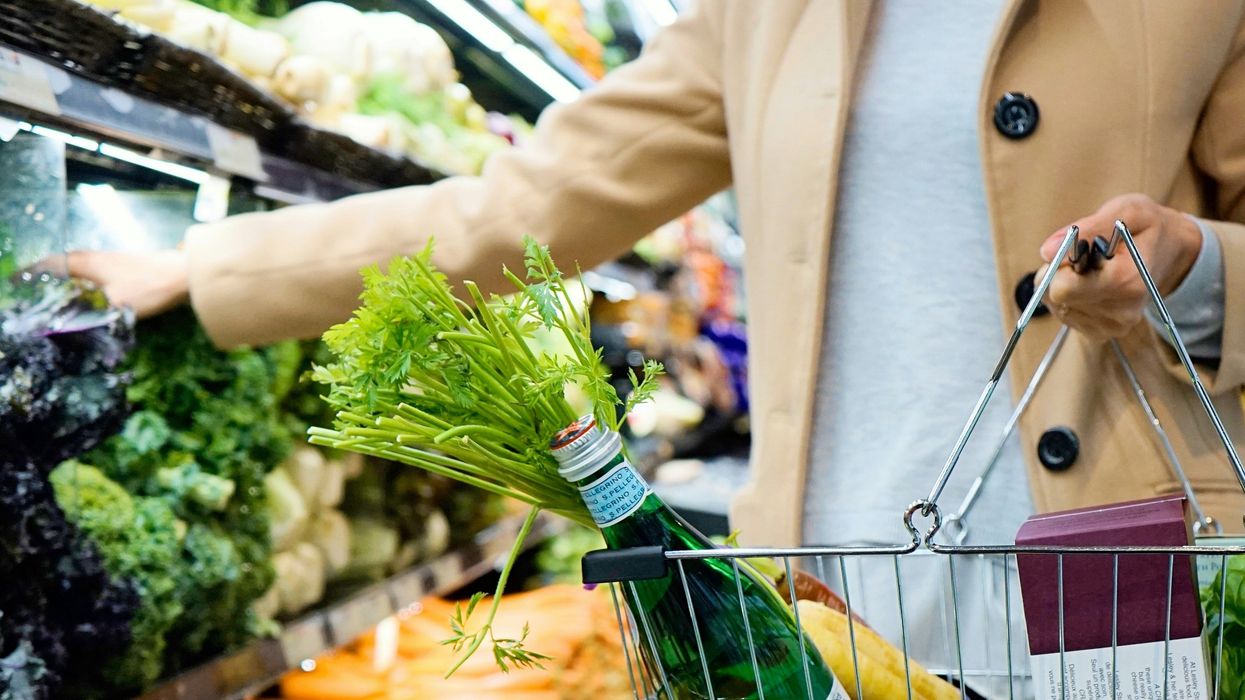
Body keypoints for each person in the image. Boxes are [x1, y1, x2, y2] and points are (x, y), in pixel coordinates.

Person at [66, 0, 1245, 691]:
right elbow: (516, 209)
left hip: (1120, 578)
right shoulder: (765, 17)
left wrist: (1191, 272)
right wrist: (212, 270)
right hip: (839, 585)